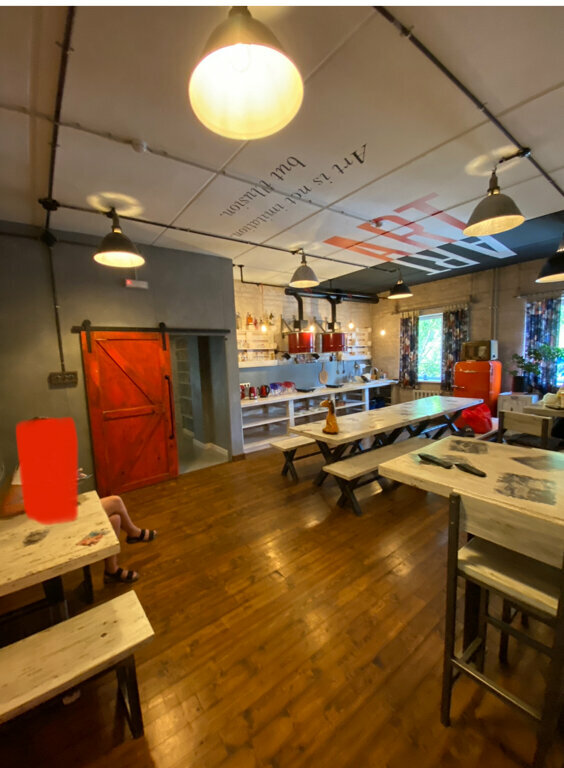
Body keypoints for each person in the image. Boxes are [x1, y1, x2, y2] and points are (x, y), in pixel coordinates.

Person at [3, 466, 156, 584]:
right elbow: (6, 509)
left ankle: (111, 570)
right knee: (115, 501)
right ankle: (133, 533)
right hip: (46, 526)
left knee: (115, 519)